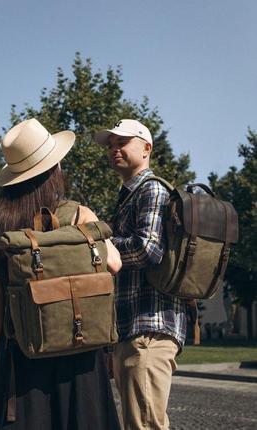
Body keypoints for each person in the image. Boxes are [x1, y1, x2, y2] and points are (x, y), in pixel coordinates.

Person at [0, 118, 122, 430]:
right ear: (54, 171)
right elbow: (114, 264)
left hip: (21, 353)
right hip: (79, 348)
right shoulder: (79, 215)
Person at [96, 119, 187, 430]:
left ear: (147, 148)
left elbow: (148, 249)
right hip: (131, 330)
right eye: (110, 145)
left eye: (122, 142)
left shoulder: (152, 189)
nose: (114, 149)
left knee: (145, 425)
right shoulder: (129, 196)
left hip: (149, 328)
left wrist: (100, 243)